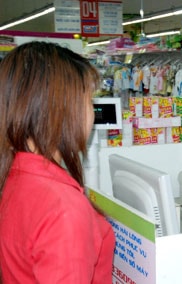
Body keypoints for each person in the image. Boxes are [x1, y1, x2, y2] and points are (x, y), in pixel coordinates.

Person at [0, 42, 115, 282]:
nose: (92, 113)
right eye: (88, 101)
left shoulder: (14, 174)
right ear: (61, 109)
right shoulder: (62, 208)